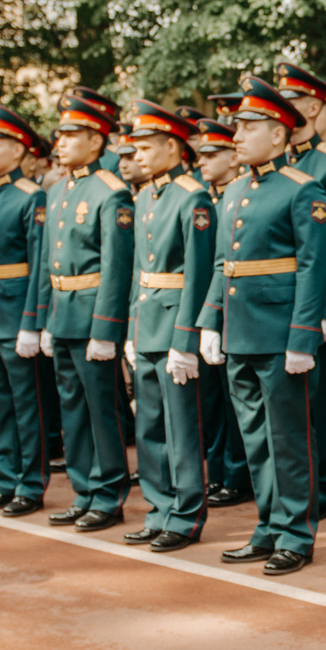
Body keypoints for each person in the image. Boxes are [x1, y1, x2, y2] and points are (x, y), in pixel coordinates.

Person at [201, 74, 326, 576]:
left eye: (247, 127)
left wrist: (302, 338)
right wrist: (209, 321)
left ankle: (296, 534)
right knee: (255, 437)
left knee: (289, 438)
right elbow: (222, 265)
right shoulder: (232, 191)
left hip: (280, 336)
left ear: (278, 133)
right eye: (235, 126)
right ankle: (268, 525)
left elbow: (311, 267)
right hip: (239, 333)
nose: (235, 136)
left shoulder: (302, 189)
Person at [33, 86, 135, 532]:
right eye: (59, 134)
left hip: (93, 313)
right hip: (62, 311)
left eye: (70, 134)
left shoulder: (111, 192)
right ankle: (83, 490)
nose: (59, 143)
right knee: (71, 407)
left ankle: (109, 493)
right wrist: (41, 321)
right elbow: (45, 263)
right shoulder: (56, 191)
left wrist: (106, 328)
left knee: (103, 409)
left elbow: (115, 267)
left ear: (96, 140)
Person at [123, 99, 216, 552]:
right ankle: (158, 508)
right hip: (145, 326)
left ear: (175, 147)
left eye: (147, 146)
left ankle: (185, 514)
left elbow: (198, 275)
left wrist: (187, 340)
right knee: (150, 427)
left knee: (182, 429)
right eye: (136, 146)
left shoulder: (193, 196)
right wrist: (128, 331)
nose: (137, 154)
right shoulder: (144, 196)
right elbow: (137, 271)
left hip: (175, 325)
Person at [275, 62, 326, 517]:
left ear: (312, 106)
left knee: (324, 399)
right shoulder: (282, 163)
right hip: (282, 300)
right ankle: (299, 486)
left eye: (291, 102)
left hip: (318, 297)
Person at [0, 105, 52, 516]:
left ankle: (30, 485)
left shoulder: (31, 197)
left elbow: (39, 266)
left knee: (25, 407)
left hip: (15, 315)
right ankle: (7, 480)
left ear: (19, 152)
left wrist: (32, 323)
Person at [190, 117, 255, 508]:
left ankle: (236, 474)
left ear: (233, 158)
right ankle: (219, 471)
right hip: (207, 312)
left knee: (235, 407)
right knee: (211, 403)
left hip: (240, 312)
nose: (203, 160)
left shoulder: (239, 195)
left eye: (213, 153)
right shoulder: (206, 198)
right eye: (201, 153)